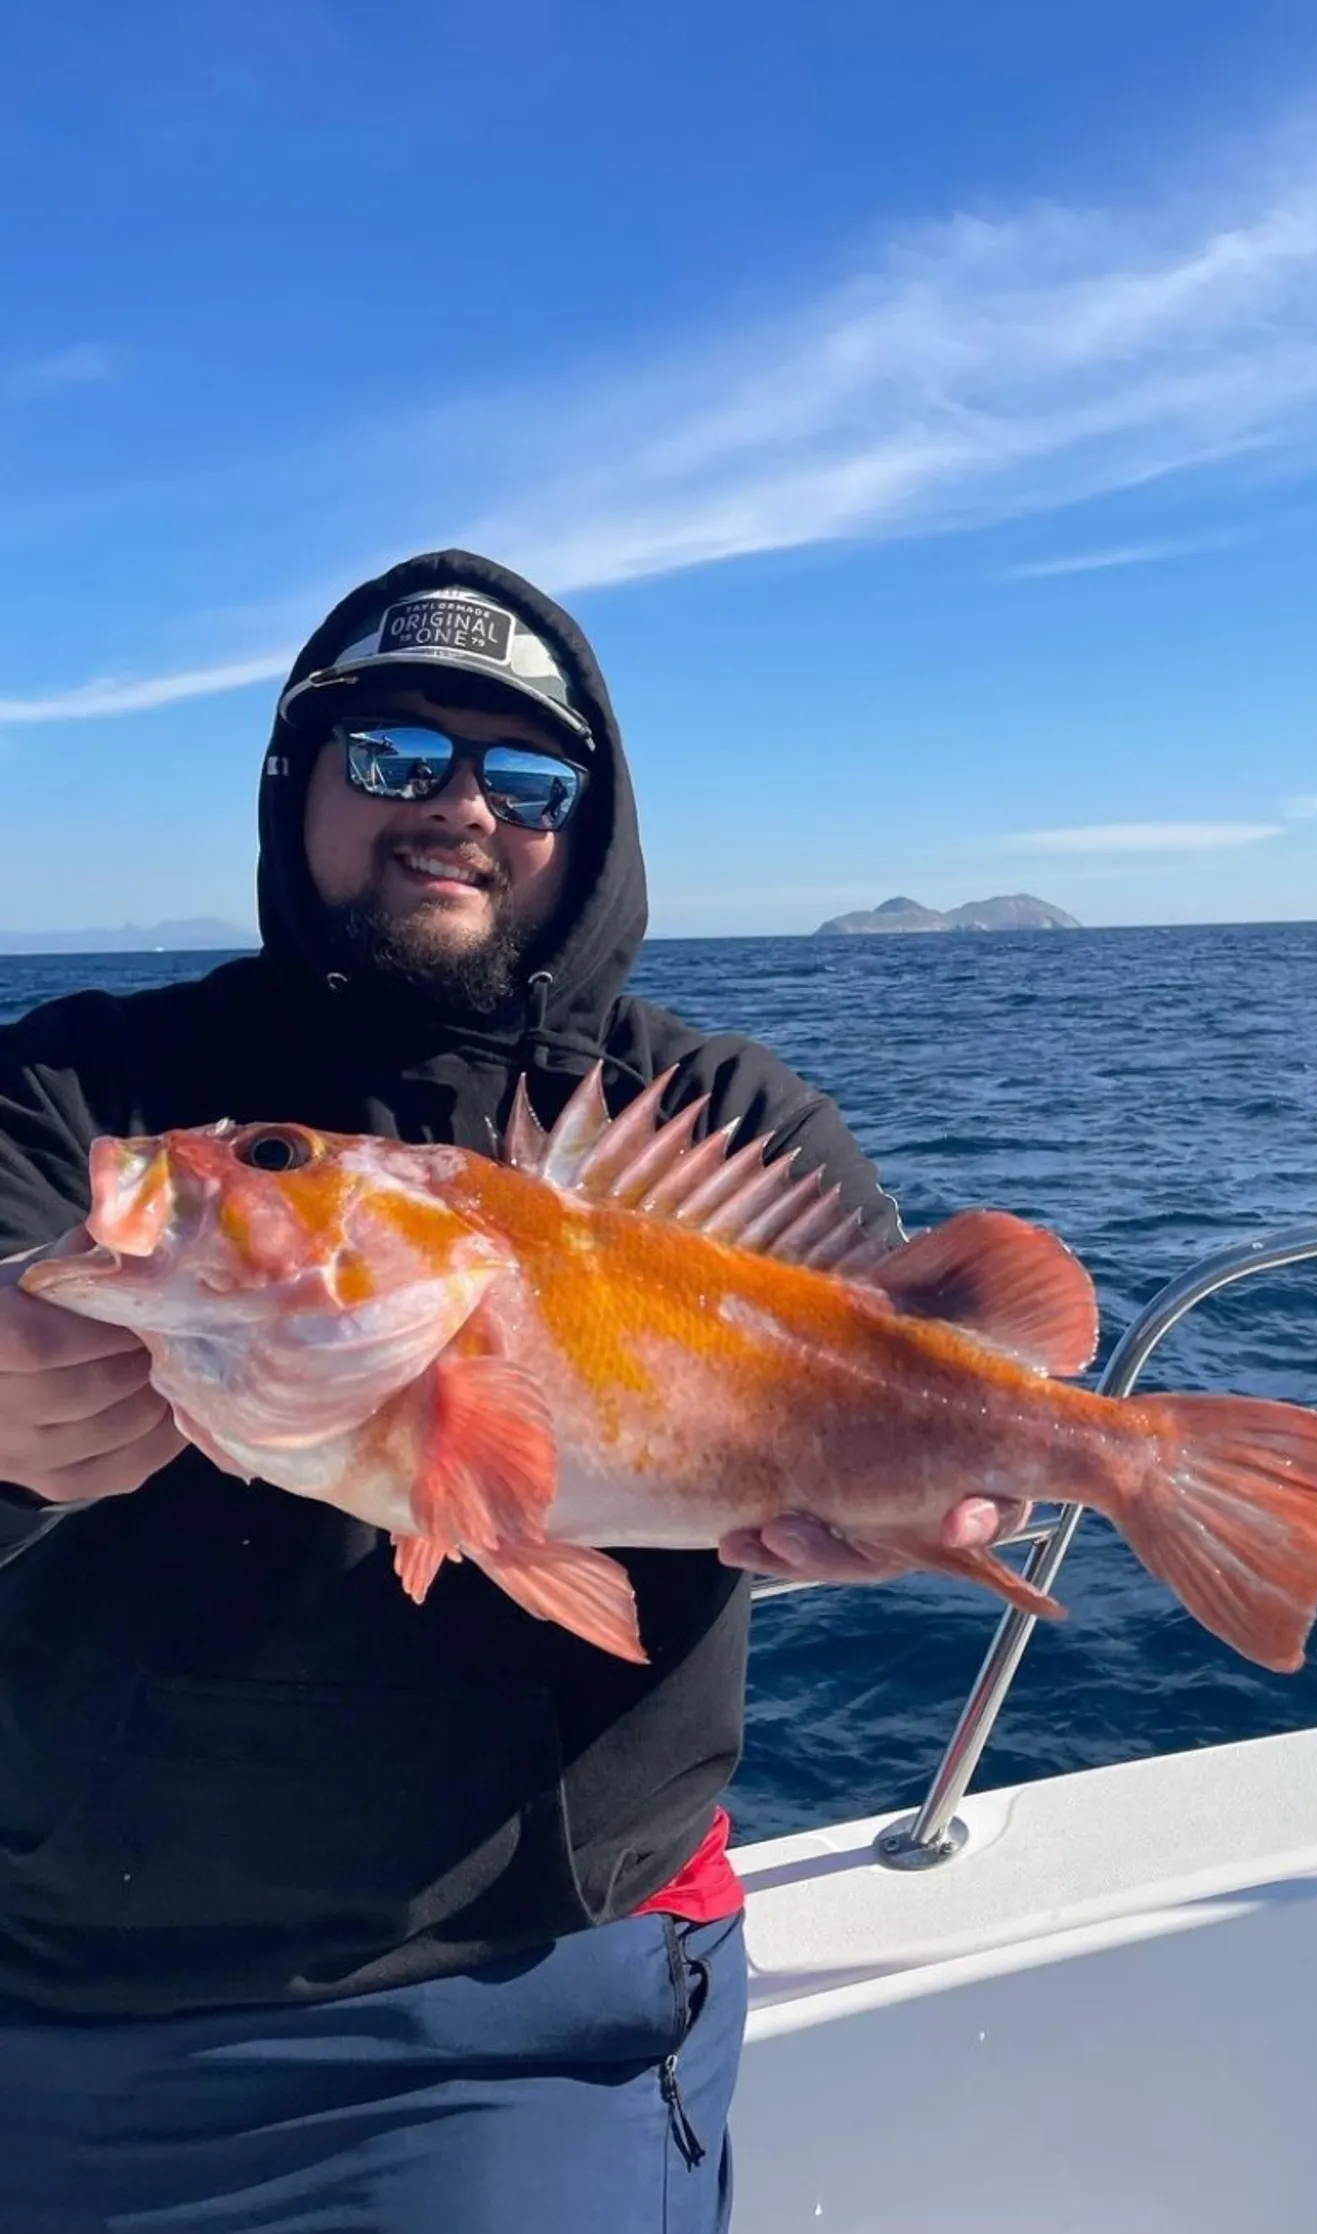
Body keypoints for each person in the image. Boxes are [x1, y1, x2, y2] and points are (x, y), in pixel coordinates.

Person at [0, 551, 1017, 2232]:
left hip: (531, 2005)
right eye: (394, 756)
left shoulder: (719, 1116)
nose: (460, 807)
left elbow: (928, 1362)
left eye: (525, 776)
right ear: (295, 784)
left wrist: (952, 1485)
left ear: (589, 830)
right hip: (51, 1987)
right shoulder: (83, 1091)